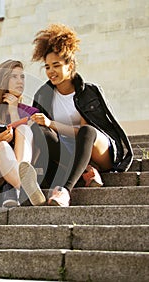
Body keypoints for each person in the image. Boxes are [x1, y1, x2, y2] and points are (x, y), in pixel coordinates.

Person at [19, 23, 133, 207]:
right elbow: (43, 132)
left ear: (70, 65)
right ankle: (85, 172)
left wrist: (52, 123)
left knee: (87, 131)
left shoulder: (88, 92)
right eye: (47, 67)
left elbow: (85, 131)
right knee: (40, 131)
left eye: (56, 65)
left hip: (97, 150)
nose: (50, 72)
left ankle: (65, 190)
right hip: (65, 152)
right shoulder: (43, 94)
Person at [0, 59, 46, 207]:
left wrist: (14, 110)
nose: (20, 81)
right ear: (3, 80)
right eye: (14, 77)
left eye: (22, 77)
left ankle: (13, 188)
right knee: (2, 147)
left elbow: (35, 145)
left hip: (17, 163)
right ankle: (24, 187)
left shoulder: (32, 112)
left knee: (24, 129)